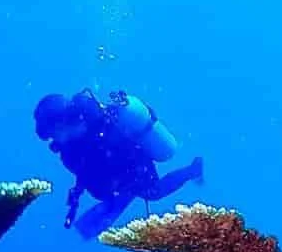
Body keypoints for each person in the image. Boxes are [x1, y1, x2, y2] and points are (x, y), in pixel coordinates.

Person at [33, 88, 204, 239]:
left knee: (153, 192)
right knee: (119, 197)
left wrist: (128, 178)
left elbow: (123, 149)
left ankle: (193, 169)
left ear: (61, 123)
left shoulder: (100, 125)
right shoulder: (71, 146)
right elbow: (84, 169)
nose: (53, 139)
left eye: (52, 132)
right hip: (118, 173)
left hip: (134, 165)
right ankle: (192, 170)